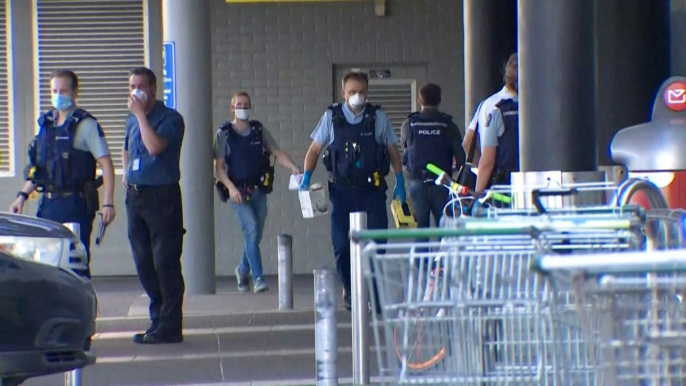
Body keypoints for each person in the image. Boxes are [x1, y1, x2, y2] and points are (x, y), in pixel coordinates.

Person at [300, 71, 405, 311]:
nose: (358, 96)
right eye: (353, 91)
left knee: (377, 243)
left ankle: (376, 296)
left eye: (362, 91)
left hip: (372, 191)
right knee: (341, 244)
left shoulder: (377, 117)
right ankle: (349, 288)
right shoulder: (332, 116)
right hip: (342, 192)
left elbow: (392, 152)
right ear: (343, 93)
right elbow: (315, 149)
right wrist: (306, 176)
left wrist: (400, 182)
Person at [9, 69, 116, 279]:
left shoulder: (86, 125)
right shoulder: (47, 125)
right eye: (54, 90)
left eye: (63, 90)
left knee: (74, 265)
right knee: (45, 265)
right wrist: (21, 197)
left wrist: (108, 203)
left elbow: (107, 165)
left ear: (75, 92)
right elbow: (39, 169)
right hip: (49, 205)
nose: (58, 95)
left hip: (75, 205)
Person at [214, 91, 301, 293]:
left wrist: (293, 167)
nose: (243, 108)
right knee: (251, 228)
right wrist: (231, 188)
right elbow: (218, 167)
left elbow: (276, 152)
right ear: (232, 107)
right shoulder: (224, 134)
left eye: (246, 105)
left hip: (258, 190)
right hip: (237, 191)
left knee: (255, 234)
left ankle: (243, 268)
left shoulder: (258, 131)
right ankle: (258, 278)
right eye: (239, 105)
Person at [122, 67, 186, 344]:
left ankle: (170, 326)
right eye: (132, 86)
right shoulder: (130, 120)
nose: (136, 91)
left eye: (141, 86)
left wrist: (140, 115)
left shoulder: (170, 119)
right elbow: (127, 148)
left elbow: (155, 147)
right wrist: (126, 173)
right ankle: (157, 319)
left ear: (153, 89)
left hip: (162, 196)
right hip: (136, 195)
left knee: (165, 261)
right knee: (144, 262)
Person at [401, 82, 465, 227]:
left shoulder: (409, 123)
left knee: (421, 229)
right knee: (443, 227)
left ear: (419, 100)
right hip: (442, 182)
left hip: (417, 182)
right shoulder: (448, 124)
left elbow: (405, 150)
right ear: (439, 100)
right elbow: (461, 157)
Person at [463, 53, 519, 193]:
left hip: (501, 187)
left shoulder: (489, 106)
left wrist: (479, 192)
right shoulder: (536, 106)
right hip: (531, 185)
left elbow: (469, 144)